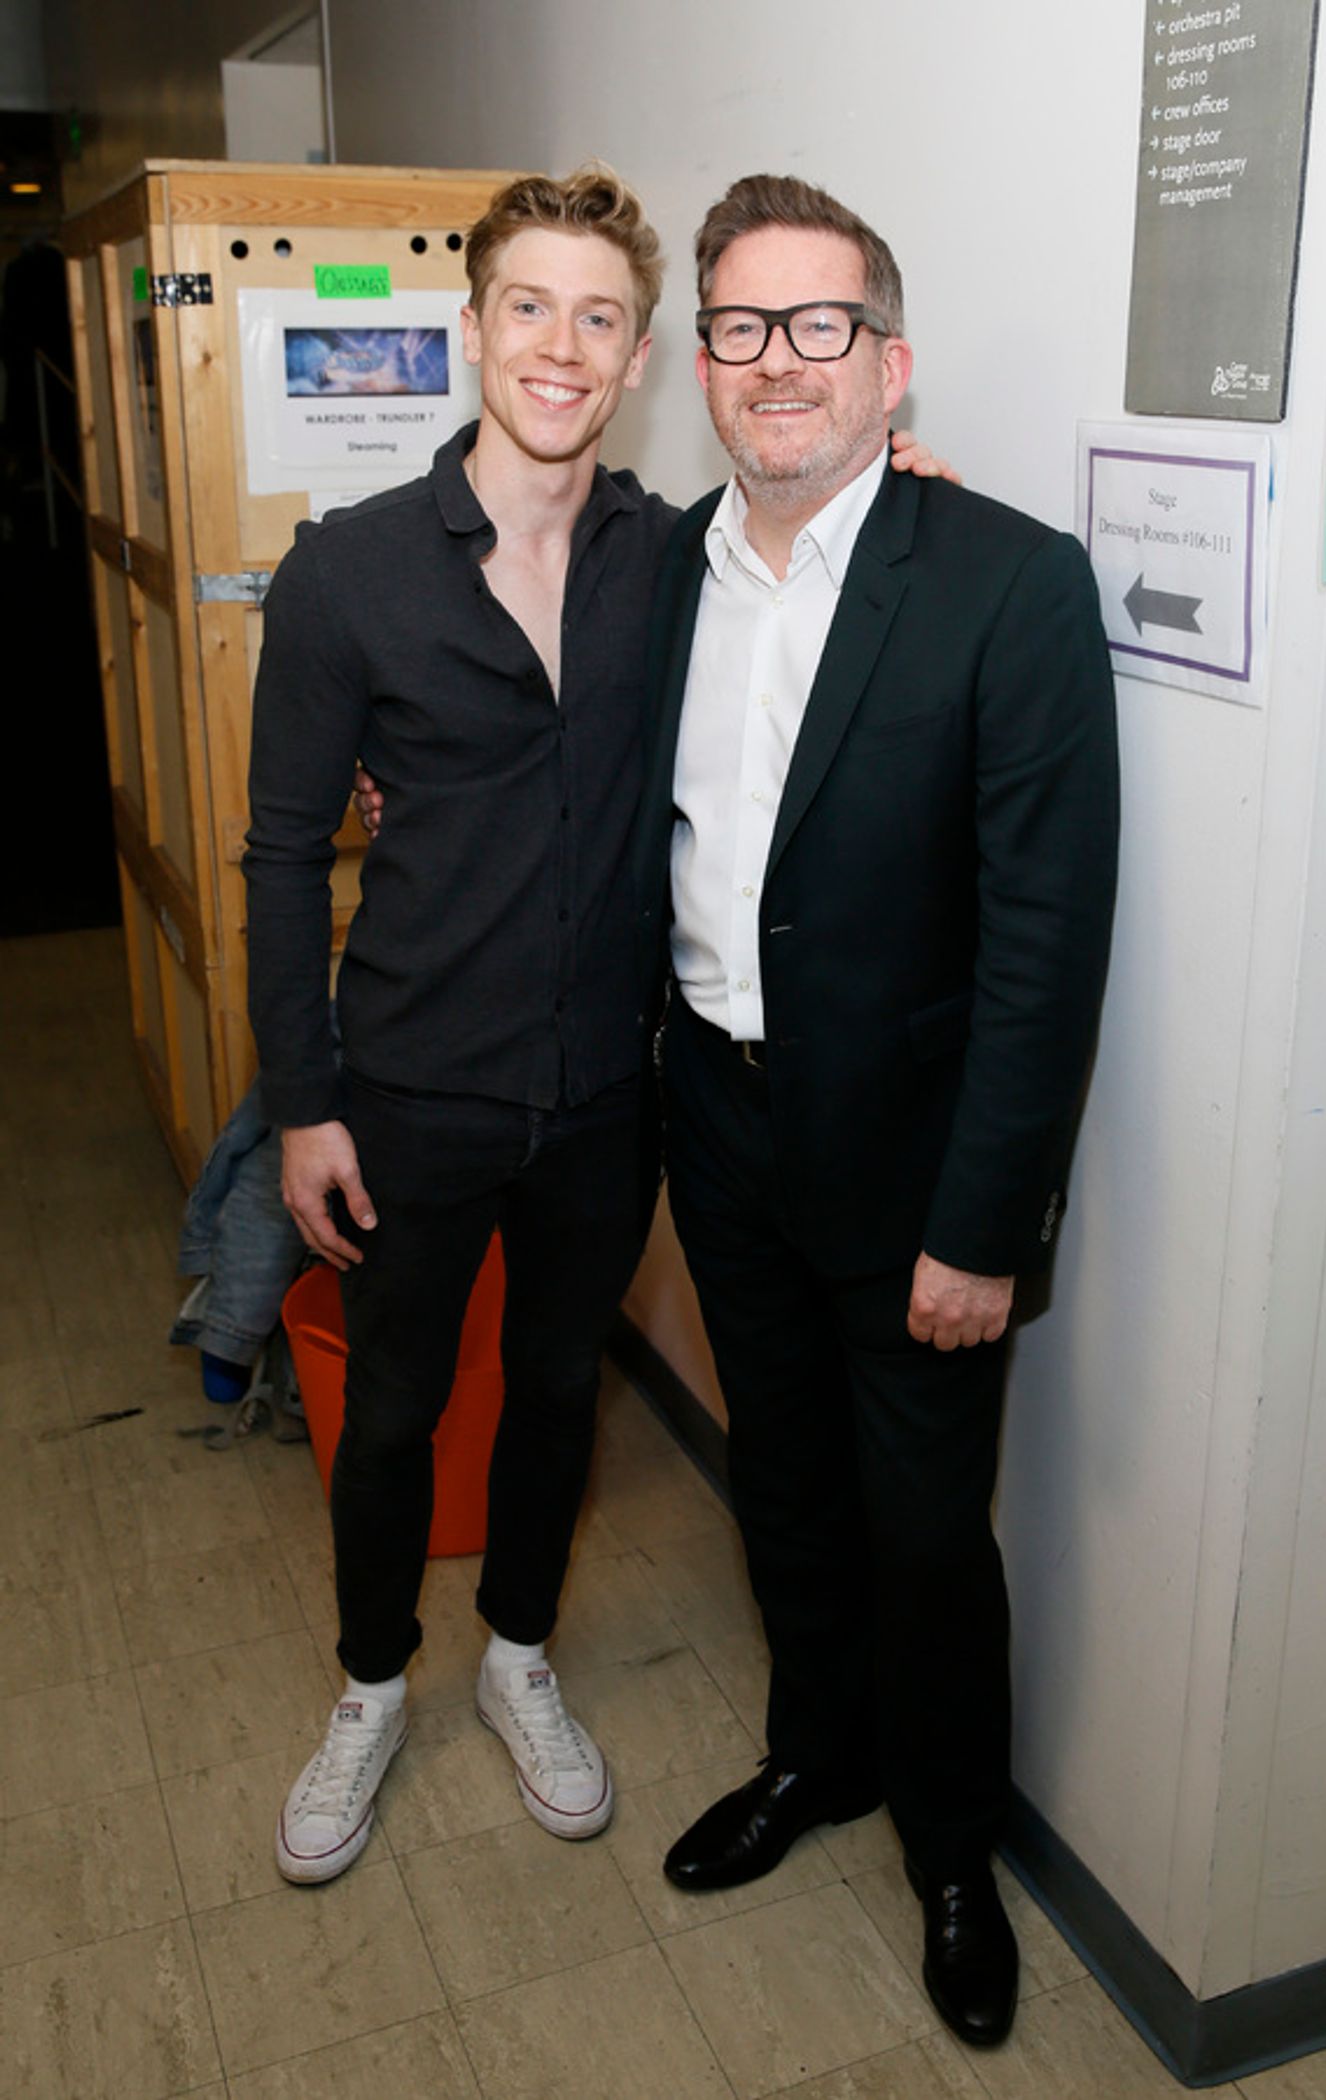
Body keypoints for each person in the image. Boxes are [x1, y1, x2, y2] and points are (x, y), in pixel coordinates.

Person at [245, 165, 945, 1887]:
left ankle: (519, 1653)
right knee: (396, 1409)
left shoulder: (676, 559)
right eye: (530, 308)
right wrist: (303, 1105)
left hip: (602, 1102)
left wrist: (903, 489)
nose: (561, 346)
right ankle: (369, 1683)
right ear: (473, 330)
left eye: (600, 317)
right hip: (407, 1091)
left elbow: (822, 547)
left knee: (560, 1389)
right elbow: (278, 853)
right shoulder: (346, 573)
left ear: (639, 360)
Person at [634, 174, 1119, 2049]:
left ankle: (951, 1852)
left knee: (925, 1533)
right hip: (719, 1122)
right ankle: (814, 1755)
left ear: (888, 364)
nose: (779, 362)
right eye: (741, 327)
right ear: (702, 364)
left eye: (819, 324)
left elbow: (1045, 946)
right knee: (781, 1479)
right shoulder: (661, 574)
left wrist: (986, 1228)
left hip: (916, 1169)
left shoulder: (1005, 582)